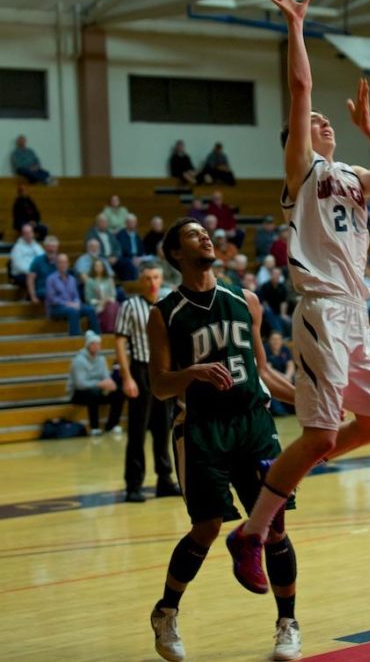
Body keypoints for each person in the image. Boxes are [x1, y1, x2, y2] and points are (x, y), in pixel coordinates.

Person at [225, 0, 370, 595]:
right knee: (324, 434)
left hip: (356, 314)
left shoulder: (352, 175)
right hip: (322, 309)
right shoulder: (302, 170)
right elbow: (302, 90)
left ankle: (286, 470)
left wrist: (369, 126)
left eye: (330, 123)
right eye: (315, 124)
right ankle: (251, 532)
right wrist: (296, 27)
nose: (323, 122)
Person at [148, 217, 300, 662]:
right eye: (194, 234)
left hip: (253, 424)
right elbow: (159, 384)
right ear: (176, 253)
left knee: (274, 527)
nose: (206, 237)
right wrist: (191, 373)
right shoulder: (165, 313)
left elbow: (265, 371)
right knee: (208, 527)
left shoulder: (245, 300)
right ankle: (166, 611)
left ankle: (287, 623)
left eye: (206, 232)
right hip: (202, 429)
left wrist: (312, 406)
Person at [114, 261, 180, 503]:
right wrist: (126, 376)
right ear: (141, 281)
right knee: (137, 431)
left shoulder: (167, 303)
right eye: (147, 278)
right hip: (140, 371)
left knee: (164, 429)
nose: (152, 283)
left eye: (155, 278)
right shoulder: (130, 306)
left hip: (163, 371)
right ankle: (134, 484)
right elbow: (120, 341)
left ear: (161, 279)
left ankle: (165, 479)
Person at [67, 331, 124, 435]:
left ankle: (111, 425)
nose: (97, 346)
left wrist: (110, 384)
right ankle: (94, 427)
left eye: (99, 344)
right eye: (95, 344)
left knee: (118, 392)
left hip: (98, 390)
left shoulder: (101, 359)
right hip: (78, 393)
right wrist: (100, 384)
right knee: (92, 394)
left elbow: (106, 376)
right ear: (89, 345)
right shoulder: (78, 360)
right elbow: (80, 384)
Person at [45, 253, 100, 336]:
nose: (63, 265)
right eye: (60, 262)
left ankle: (96, 335)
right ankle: (75, 337)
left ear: (68, 264)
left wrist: (76, 303)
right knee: (73, 311)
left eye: (65, 262)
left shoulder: (72, 279)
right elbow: (52, 299)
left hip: (72, 305)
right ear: (56, 264)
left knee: (90, 309)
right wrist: (68, 304)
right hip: (56, 308)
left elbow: (76, 296)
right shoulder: (51, 279)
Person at [84, 257, 120, 334]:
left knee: (114, 305)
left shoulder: (108, 279)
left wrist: (106, 300)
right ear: (93, 268)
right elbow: (88, 298)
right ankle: (108, 330)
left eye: (100, 266)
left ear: (103, 267)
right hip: (97, 304)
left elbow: (113, 294)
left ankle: (113, 328)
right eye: (96, 266)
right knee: (108, 307)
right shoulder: (90, 281)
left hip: (108, 302)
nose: (98, 268)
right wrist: (100, 302)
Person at [263, 331, 296, 416]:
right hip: (272, 378)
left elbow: (290, 365)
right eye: (273, 339)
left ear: (281, 340)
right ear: (269, 340)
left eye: (278, 339)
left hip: (286, 377)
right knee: (281, 413)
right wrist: (283, 377)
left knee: (297, 380)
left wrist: (288, 376)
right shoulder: (265, 350)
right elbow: (268, 369)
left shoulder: (285, 349)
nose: (276, 341)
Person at [9, 223, 44, 291]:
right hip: (21, 274)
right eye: (27, 233)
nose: (29, 235)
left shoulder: (36, 246)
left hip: (35, 273)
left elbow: (42, 258)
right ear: (23, 234)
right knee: (33, 278)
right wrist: (32, 271)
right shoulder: (17, 248)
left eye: (30, 232)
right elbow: (19, 266)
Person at [27, 234, 60, 304]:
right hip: (43, 290)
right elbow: (30, 279)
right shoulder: (37, 261)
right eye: (49, 246)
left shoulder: (60, 261)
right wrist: (33, 296)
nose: (51, 249)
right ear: (45, 248)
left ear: (57, 248)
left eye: (53, 247)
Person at [115, 214, 145, 281]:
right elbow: (121, 250)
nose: (133, 224)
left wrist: (140, 258)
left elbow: (141, 249)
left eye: (134, 222)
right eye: (131, 222)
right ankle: (133, 285)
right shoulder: (120, 235)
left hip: (137, 258)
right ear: (126, 223)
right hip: (124, 258)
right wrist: (132, 258)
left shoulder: (137, 235)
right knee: (129, 264)